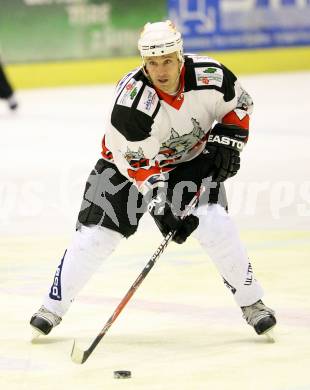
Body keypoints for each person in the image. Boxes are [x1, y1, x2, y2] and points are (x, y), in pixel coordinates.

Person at [30, 20, 276, 339]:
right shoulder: (131, 104)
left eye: (168, 61)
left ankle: (252, 303)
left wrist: (229, 141)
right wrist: (163, 205)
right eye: (152, 63)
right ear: (144, 63)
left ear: (180, 57)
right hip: (121, 168)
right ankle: (52, 307)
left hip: (188, 165)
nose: (160, 71)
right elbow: (138, 166)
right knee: (95, 238)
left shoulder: (211, 77)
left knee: (215, 223)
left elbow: (240, 107)